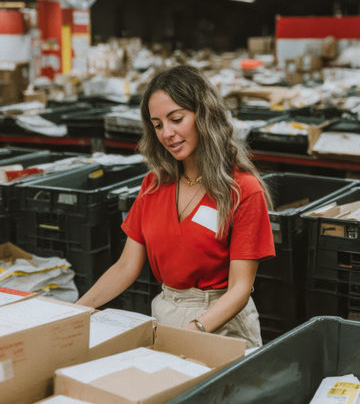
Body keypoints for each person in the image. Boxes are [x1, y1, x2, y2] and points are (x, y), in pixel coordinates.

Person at [76, 65, 275, 348]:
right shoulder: (155, 184)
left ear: (203, 116)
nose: (167, 133)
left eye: (176, 119)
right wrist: (77, 310)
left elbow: (240, 289)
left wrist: (194, 329)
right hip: (167, 313)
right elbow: (126, 267)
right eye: (158, 125)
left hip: (222, 323)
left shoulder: (242, 189)